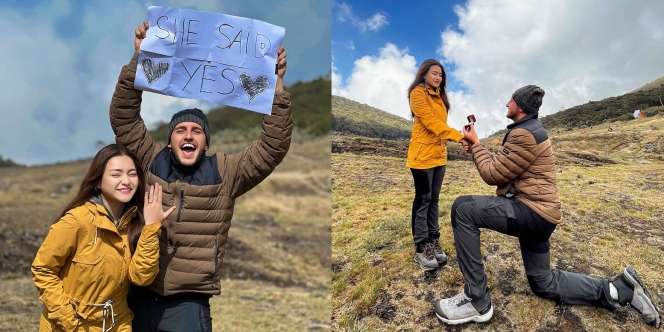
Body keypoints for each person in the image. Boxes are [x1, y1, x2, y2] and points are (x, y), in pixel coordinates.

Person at [110, 22, 292, 331]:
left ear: (206, 142)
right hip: (137, 293)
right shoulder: (150, 158)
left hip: (188, 303)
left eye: (197, 130)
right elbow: (124, 117)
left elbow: (272, 147)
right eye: (180, 129)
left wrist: (274, 89)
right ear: (170, 140)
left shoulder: (227, 171)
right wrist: (140, 61)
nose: (188, 134)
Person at [433, 85, 661, 327]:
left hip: (531, 213)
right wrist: (477, 147)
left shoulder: (524, 135)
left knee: (463, 208)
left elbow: (493, 174)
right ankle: (619, 290)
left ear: (519, 106)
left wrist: (476, 145)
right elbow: (504, 165)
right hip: (542, 216)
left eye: (510, 100)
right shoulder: (529, 130)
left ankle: (476, 300)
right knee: (543, 283)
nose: (506, 103)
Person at [32, 144, 173, 331]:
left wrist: (151, 227)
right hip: (68, 326)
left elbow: (141, 277)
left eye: (132, 174)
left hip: (117, 323)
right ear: (98, 181)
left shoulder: (136, 223)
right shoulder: (76, 221)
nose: (126, 181)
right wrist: (69, 321)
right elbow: (43, 270)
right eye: (116, 174)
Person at [406, 59, 464, 271]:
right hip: (421, 157)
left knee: (435, 199)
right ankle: (421, 246)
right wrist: (460, 137)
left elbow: (441, 125)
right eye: (434, 73)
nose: (438, 77)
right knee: (423, 199)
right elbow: (432, 123)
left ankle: (433, 238)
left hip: (439, 156)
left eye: (441, 74)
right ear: (424, 74)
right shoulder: (417, 93)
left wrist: (455, 138)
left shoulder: (440, 96)